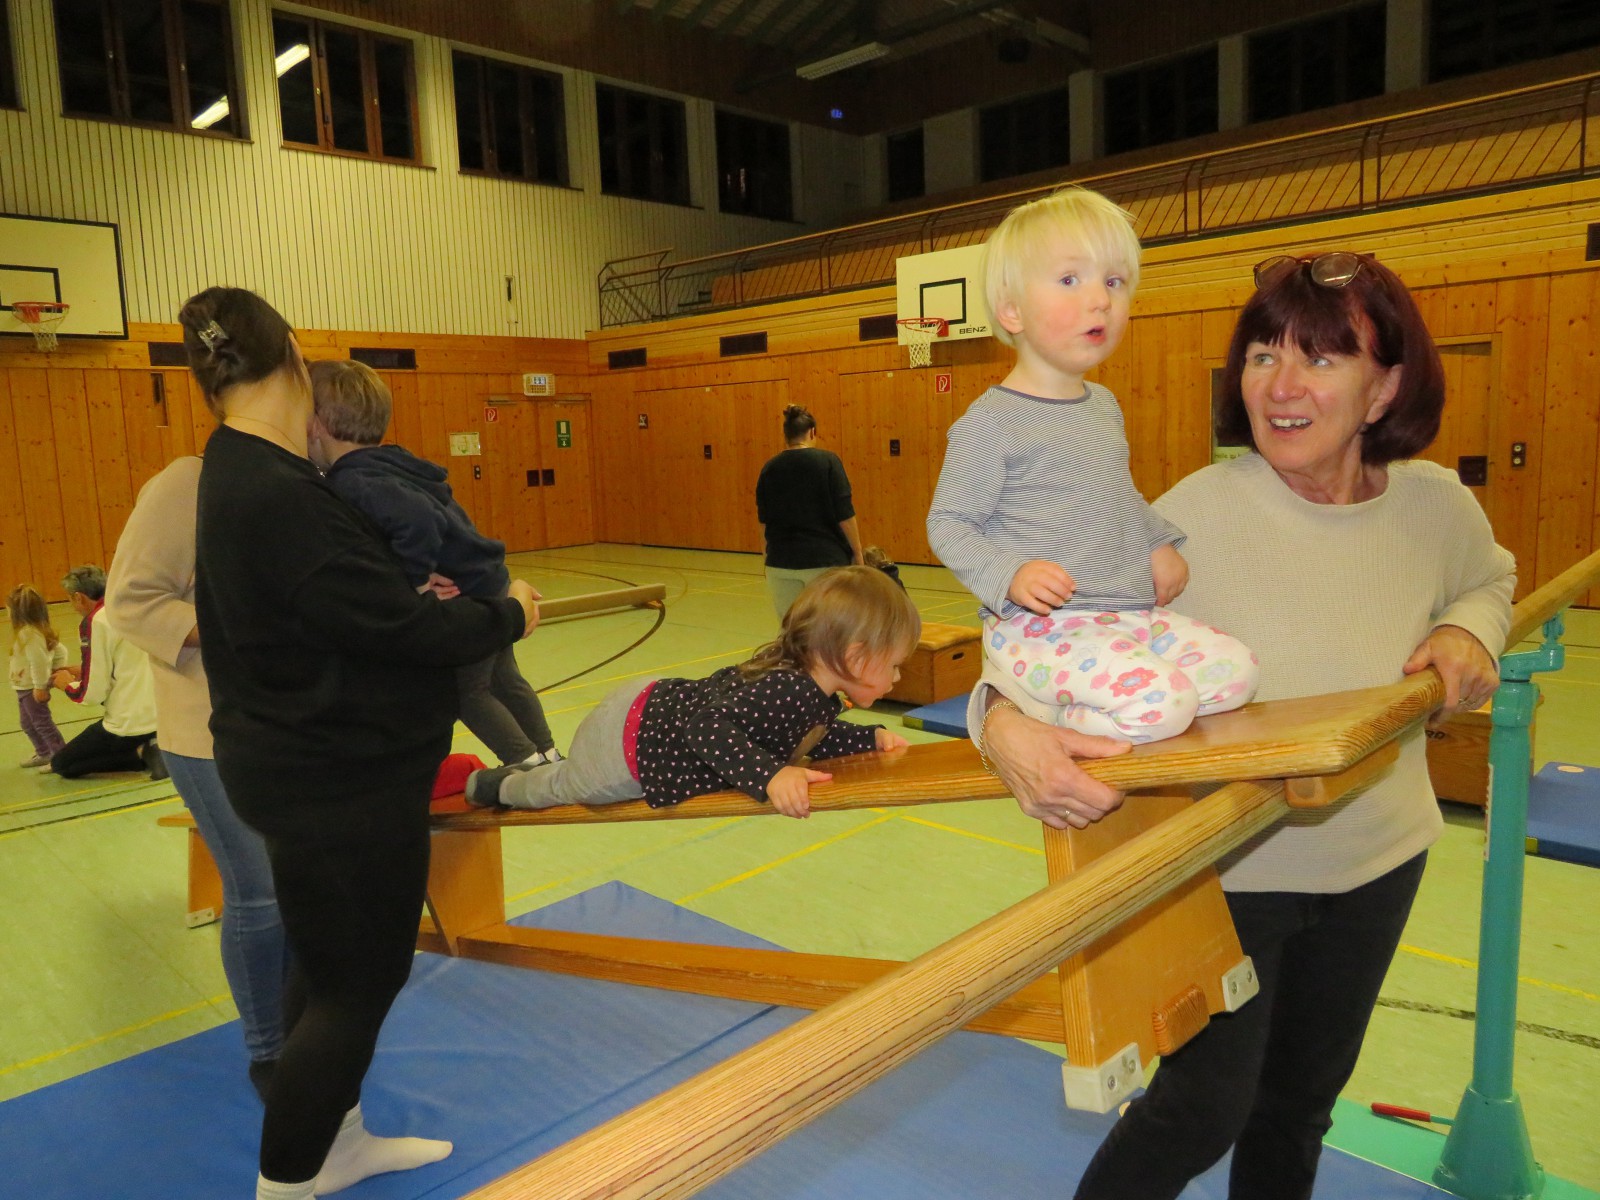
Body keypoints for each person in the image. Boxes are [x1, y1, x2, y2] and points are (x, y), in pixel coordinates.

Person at [974, 250, 1515, 1200]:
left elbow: (1490, 577)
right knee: (1199, 1109)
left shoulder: (1436, 506)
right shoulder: (1193, 518)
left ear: (1385, 388)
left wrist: (1469, 628)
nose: (1281, 385)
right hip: (1230, 873)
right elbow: (1040, 645)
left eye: (1321, 358)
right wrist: (998, 725)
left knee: (1299, 1109)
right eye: (1264, 355)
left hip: (1380, 861)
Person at [178, 286, 539, 1200]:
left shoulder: (249, 468)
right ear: (296, 359)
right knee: (357, 987)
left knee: (326, 966)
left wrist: (403, 594)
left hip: (311, 766)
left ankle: (335, 1143)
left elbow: (344, 608)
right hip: (335, 784)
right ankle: (287, 1179)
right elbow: (399, 630)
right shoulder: (274, 491)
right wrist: (507, 613)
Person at [928, 187, 1257, 743]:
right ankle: (1057, 718)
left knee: (1237, 672)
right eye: (1069, 279)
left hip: (1124, 616)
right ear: (1012, 310)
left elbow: (1115, 493)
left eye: (1114, 281)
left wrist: (1156, 541)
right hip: (1042, 630)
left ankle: (1106, 716)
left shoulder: (1102, 406)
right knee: (1167, 704)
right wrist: (1010, 574)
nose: (1101, 300)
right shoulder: (992, 422)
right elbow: (948, 524)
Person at [104, 456, 291, 1101]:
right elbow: (131, 601)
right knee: (258, 891)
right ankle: (269, 1053)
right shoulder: (187, 481)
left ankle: (301, 1027)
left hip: (287, 729)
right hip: (205, 734)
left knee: (297, 888)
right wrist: (240, 630)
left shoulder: (301, 483)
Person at [468, 565, 916, 819]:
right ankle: (498, 785)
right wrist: (771, 777)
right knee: (557, 787)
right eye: (894, 665)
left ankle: (516, 775)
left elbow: (805, 734)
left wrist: (868, 737)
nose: (897, 678)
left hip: (647, 709)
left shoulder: (807, 688)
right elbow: (706, 728)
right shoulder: (788, 690)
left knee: (562, 775)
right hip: (625, 749)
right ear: (856, 658)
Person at [306, 358, 561, 767]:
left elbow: (418, 521)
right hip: (489, 579)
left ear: (317, 425)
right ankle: (548, 752)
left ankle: (526, 762)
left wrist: (417, 581)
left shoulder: (354, 479)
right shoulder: (391, 462)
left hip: (468, 593)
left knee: (468, 694)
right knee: (505, 678)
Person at [46, 564, 163, 779]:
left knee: (62, 765)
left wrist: (66, 684)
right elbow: (128, 662)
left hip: (126, 724)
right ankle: (153, 745)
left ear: (79, 597)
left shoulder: (96, 621)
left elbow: (91, 694)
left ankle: (140, 755)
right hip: (159, 717)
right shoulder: (129, 608)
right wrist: (85, 670)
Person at [755, 404, 864, 620]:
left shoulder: (769, 469)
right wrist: (858, 553)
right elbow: (845, 514)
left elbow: (763, 521)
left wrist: (767, 558)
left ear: (786, 436)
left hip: (780, 562)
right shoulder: (828, 462)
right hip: (824, 561)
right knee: (828, 627)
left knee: (790, 629)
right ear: (812, 432)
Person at [8, 584, 68, 768]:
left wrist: (41, 686)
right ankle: (44, 752)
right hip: (24, 688)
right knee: (27, 724)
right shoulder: (32, 632)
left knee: (42, 723)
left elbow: (39, 661)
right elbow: (60, 650)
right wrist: (56, 669)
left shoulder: (29, 634)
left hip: (30, 689)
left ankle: (61, 757)